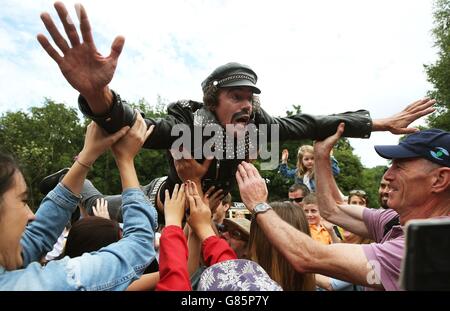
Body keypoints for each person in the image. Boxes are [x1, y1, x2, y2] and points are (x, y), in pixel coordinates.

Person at [37, 2, 435, 219]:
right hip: (166, 201)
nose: (246, 105)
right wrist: (96, 93)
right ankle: (69, 184)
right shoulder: (189, 124)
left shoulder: (259, 128)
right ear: (214, 101)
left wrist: (382, 123)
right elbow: (130, 122)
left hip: (210, 211)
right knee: (98, 210)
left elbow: (313, 123)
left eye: (250, 97)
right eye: (235, 97)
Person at [235, 125, 450, 290]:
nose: (387, 175)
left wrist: (259, 205)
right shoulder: (394, 220)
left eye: (400, 166)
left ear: (439, 180)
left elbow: (309, 257)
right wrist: (321, 156)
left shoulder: (430, 246)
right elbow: (333, 210)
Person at [0, 114, 158, 290]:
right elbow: (139, 246)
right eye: (22, 200)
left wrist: (87, 156)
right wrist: (125, 160)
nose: (31, 215)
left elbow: (38, 235)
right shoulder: (48, 284)